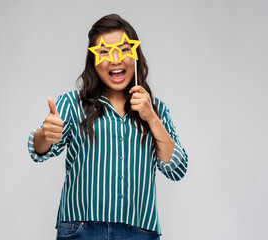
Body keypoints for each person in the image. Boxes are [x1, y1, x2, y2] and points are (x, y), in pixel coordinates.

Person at [27, 13, 188, 240]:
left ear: (135, 55)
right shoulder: (73, 104)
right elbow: (39, 150)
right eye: (104, 52)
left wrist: (151, 117)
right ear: (93, 60)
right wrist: (45, 133)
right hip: (81, 228)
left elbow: (177, 168)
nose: (115, 59)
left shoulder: (156, 110)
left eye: (123, 50)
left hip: (140, 231)